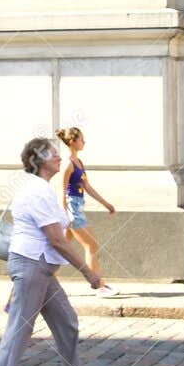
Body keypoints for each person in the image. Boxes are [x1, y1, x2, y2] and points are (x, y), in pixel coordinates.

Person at [0, 137, 108, 366]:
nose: (58, 156)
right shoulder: (37, 192)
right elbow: (56, 239)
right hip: (33, 266)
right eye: (53, 153)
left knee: (67, 322)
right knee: (19, 329)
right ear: (38, 161)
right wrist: (88, 271)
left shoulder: (39, 188)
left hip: (39, 269)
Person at [57, 126, 116, 295]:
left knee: (62, 249)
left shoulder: (79, 163)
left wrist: (105, 203)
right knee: (91, 245)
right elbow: (62, 191)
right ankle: (99, 286)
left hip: (77, 206)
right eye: (82, 139)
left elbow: (87, 186)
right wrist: (65, 215)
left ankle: (45, 284)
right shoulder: (68, 164)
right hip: (72, 209)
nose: (84, 142)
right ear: (73, 141)